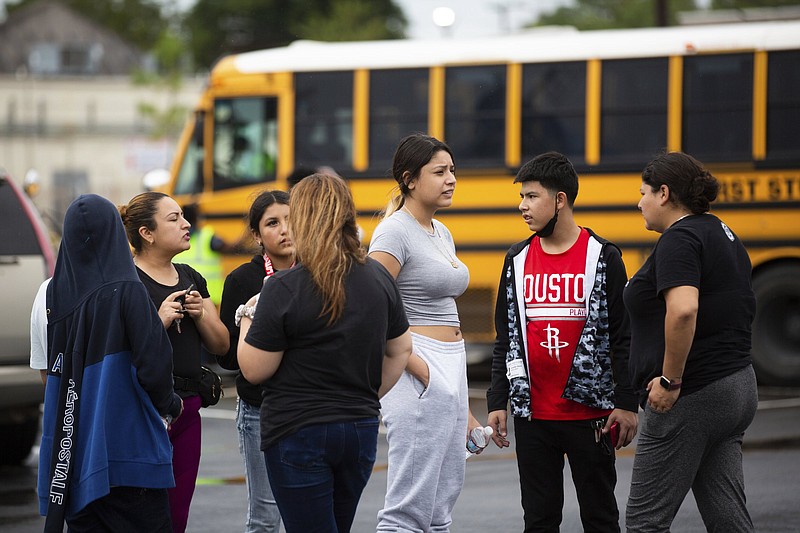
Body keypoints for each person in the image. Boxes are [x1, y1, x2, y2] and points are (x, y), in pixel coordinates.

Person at [236, 173, 412, 533]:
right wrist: (365, 395)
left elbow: (254, 369)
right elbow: (401, 349)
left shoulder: (284, 286)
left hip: (297, 429)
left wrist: (247, 316)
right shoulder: (378, 277)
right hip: (359, 427)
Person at [485, 151, 639, 532]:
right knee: (539, 520)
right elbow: (505, 338)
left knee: (600, 518)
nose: (522, 206)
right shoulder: (516, 259)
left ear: (560, 200)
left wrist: (626, 403)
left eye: (532, 196)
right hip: (533, 417)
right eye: (521, 197)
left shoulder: (603, 257)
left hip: (591, 418)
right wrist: (497, 400)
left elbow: (623, 336)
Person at [624, 151, 758, 532]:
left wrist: (670, 381)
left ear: (664, 193)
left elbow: (683, 309)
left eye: (643, 192)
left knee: (644, 521)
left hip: (692, 393)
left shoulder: (679, 239)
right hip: (737, 385)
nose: (639, 202)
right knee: (727, 515)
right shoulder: (721, 232)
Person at [37, 194, 183, 532]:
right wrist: (171, 406)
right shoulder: (128, 289)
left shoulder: (54, 298)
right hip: (128, 454)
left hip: (74, 456)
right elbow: (154, 363)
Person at [369, 133, 482, 533]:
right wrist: (418, 367)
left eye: (453, 170)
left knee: (439, 505)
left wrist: (461, 402)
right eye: (439, 171)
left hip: (449, 364)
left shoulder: (441, 231)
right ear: (410, 179)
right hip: (417, 362)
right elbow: (372, 307)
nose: (451, 179)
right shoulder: (393, 231)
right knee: (409, 507)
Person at [120, 191, 230, 533]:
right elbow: (122, 352)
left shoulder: (191, 277)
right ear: (146, 233)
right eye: (174, 219)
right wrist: (160, 320)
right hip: (145, 411)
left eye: (183, 216)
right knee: (143, 512)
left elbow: (222, 345)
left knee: (177, 513)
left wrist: (202, 315)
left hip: (188, 409)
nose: (186, 225)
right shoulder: (128, 283)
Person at [219, 190, 294, 532]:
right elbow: (229, 356)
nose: (285, 230)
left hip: (309, 406)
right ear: (256, 234)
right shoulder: (241, 280)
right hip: (259, 409)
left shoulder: (318, 271)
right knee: (264, 519)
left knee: (309, 515)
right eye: (273, 223)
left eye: (291, 220)